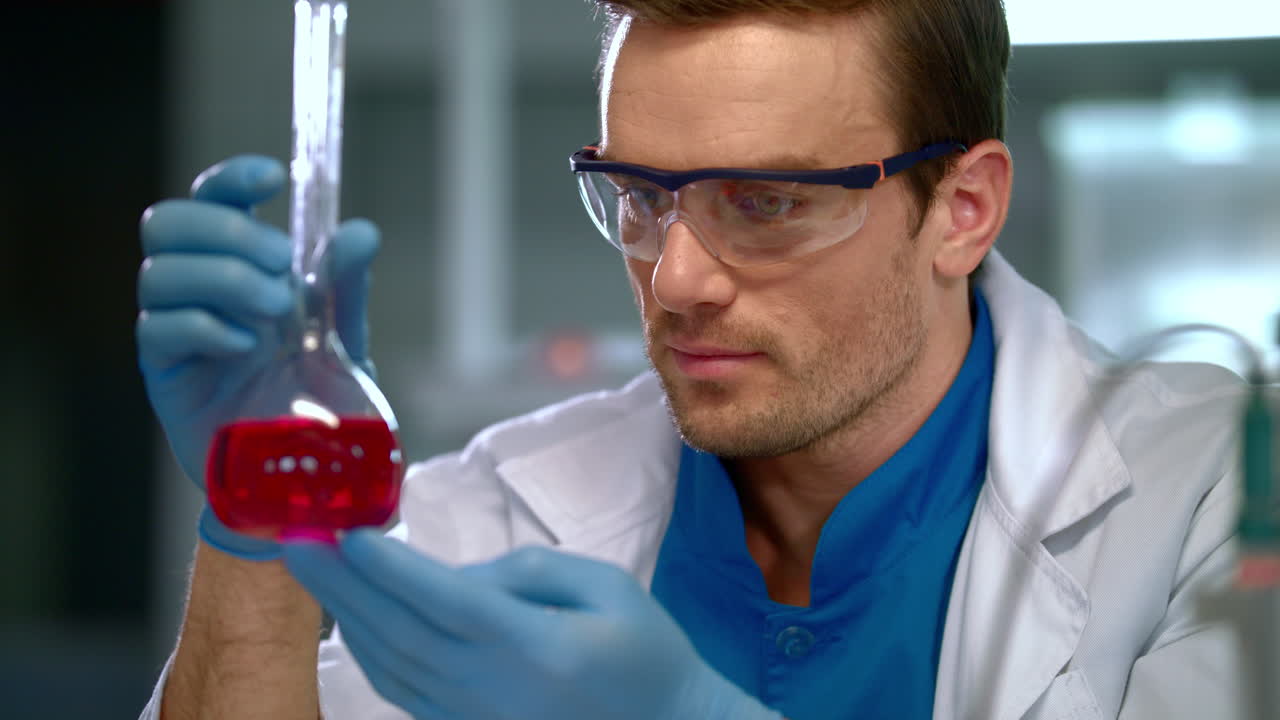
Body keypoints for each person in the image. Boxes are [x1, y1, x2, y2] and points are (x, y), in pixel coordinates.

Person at [136, 1, 1249, 718]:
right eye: (638, 197)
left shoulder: (1212, 489)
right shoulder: (497, 514)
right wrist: (264, 507)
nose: (674, 280)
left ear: (961, 208)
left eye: (764, 203)